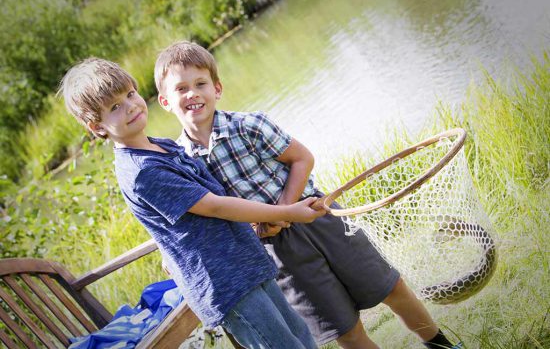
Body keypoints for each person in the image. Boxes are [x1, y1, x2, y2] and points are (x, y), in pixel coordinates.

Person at [154, 41, 463, 349]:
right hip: (276, 251)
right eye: (181, 89)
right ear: (166, 102)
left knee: (390, 288)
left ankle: (443, 345)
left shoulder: (250, 125)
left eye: (200, 84)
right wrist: (260, 226)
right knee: (345, 328)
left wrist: (285, 209)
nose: (192, 93)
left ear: (217, 89)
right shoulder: (183, 162)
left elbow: (302, 158)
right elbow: (214, 212)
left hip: (318, 218)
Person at [59, 58, 326, 349]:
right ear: (97, 127)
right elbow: (214, 205)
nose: (131, 106)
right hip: (224, 281)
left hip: (244, 260)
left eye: (130, 94)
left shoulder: (161, 145)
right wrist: (287, 212)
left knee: (300, 336)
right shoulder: (142, 172)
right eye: (114, 107)